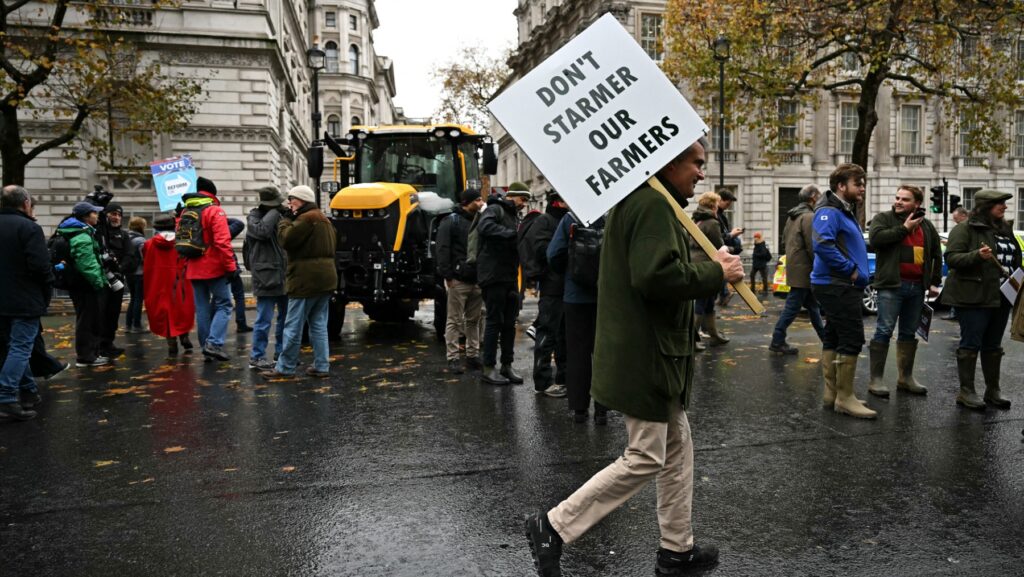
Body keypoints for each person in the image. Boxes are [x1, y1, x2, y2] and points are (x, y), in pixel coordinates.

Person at [525, 138, 744, 577]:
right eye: (696, 163)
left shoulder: (649, 201)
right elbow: (655, 276)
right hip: (648, 355)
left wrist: (709, 263)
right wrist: (716, 272)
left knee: (676, 450)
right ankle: (554, 526)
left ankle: (676, 551)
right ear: (670, 163)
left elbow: (656, 266)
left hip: (657, 353)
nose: (702, 173)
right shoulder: (651, 204)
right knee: (646, 455)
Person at [941, 190, 1021, 410]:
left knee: (993, 345)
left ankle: (992, 391)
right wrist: (976, 255)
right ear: (986, 206)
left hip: (1001, 296)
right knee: (971, 343)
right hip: (973, 296)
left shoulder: (1005, 229)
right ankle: (966, 392)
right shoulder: (965, 228)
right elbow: (952, 258)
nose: (1005, 207)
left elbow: (1014, 259)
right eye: (999, 204)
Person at [865, 185, 942, 398]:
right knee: (884, 330)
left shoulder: (926, 225)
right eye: (897, 197)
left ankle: (905, 378)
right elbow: (876, 240)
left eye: (905, 199)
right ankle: (876, 380)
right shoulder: (883, 218)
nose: (898, 201)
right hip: (891, 285)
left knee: (908, 332)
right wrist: (905, 228)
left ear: (917, 203)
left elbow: (936, 253)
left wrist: (934, 281)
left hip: (917, 287)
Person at [811, 164, 875, 419]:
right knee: (852, 337)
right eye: (857, 184)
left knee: (834, 335)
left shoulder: (842, 210)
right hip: (838, 284)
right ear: (841, 186)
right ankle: (845, 398)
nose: (862, 188)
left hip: (838, 284)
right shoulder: (829, 211)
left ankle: (833, 394)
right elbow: (823, 245)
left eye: (863, 183)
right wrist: (851, 271)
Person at [262, 185, 338, 378]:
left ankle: (285, 367)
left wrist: (285, 221)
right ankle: (321, 365)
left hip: (305, 280)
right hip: (325, 279)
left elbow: (286, 240)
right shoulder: (323, 219)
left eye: (292, 199)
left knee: (293, 325)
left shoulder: (306, 219)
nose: (289, 203)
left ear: (302, 199)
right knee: (318, 324)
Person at [548, 210, 607, 423]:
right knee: (602, 353)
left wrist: (570, 272)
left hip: (575, 296)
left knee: (576, 353)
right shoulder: (611, 217)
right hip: (605, 295)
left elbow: (553, 254)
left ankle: (579, 408)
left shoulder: (570, 218)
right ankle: (602, 409)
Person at [0, 185, 51, 421]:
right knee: (20, 348)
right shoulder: (29, 228)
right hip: (24, 298)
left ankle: (28, 390)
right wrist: (45, 292)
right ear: (26, 203)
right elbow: (40, 267)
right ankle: (6, 397)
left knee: (12, 347)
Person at [477, 184, 530, 385]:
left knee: (509, 323)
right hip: (493, 276)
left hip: (509, 276)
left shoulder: (515, 216)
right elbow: (485, 227)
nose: (524, 204)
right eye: (522, 199)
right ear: (512, 196)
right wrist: (511, 233)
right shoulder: (494, 209)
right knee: (494, 321)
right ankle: (488, 367)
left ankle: (507, 365)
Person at [182, 177, 237, 362]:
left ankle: (206, 347)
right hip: (214, 267)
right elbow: (222, 242)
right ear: (213, 193)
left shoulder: (186, 211)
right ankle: (213, 344)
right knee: (224, 305)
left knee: (202, 308)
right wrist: (231, 267)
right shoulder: (214, 211)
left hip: (193, 267)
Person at [522, 192, 570, 397]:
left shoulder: (565, 220)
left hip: (565, 287)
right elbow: (542, 250)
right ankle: (542, 382)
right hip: (552, 286)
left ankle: (564, 377)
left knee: (563, 336)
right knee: (547, 334)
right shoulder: (546, 221)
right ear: (558, 202)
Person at [770, 185, 825, 355]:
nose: (821, 199)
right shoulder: (809, 217)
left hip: (796, 268)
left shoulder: (792, 216)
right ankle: (777, 340)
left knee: (813, 307)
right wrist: (820, 266)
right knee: (792, 308)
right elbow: (812, 245)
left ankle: (827, 340)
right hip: (805, 271)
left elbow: (784, 241)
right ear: (813, 197)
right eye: (820, 196)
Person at [436, 188, 485, 374]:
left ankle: (473, 356)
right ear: (467, 202)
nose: (481, 203)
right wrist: (448, 276)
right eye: (477, 200)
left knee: (474, 319)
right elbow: (442, 249)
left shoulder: (480, 219)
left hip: (477, 278)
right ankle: (453, 358)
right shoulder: (451, 221)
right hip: (458, 279)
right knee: (454, 320)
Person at [57, 201, 110, 367]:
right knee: (88, 320)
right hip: (86, 285)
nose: (97, 215)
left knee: (87, 319)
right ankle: (86, 357)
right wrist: (99, 282)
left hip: (80, 284)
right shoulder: (82, 235)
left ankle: (90, 354)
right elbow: (86, 264)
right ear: (86, 216)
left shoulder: (80, 231)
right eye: (94, 213)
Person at [244, 186, 289, 370]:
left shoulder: (280, 215)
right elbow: (261, 231)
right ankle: (257, 356)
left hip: (283, 274)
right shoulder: (254, 217)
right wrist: (274, 212)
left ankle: (281, 354)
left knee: (285, 319)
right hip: (265, 276)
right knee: (264, 319)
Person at [143, 213, 195, 355]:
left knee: (163, 312)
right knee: (182, 309)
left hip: (158, 283)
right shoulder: (183, 241)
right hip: (180, 281)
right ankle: (184, 336)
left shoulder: (148, 244)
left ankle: (171, 343)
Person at [96, 203, 135, 358]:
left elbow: (130, 255)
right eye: (113, 214)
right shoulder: (99, 233)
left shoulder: (124, 235)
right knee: (100, 313)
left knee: (113, 313)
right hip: (100, 279)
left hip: (116, 280)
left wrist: (119, 270)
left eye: (119, 215)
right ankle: (98, 345)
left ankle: (108, 343)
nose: (116, 217)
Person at [690, 192, 727, 349]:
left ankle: (714, 334)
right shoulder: (712, 222)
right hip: (707, 264)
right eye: (717, 204)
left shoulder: (696, 220)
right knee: (701, 301)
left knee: (709, 300)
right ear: (713, 205)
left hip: (695, 262)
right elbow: (719, 245)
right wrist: (731, 248)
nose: (718, 206)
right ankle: (691, 340)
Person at [716, 189, 742, 306]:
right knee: (721, 271)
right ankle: (724, 293)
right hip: (720, 249)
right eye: (727, 204)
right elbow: (718, 237)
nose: (728, 207)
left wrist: (731, 234)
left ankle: (724, 294)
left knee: (722, 271)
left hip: (723, 248)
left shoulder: (721, 216)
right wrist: (731, 234)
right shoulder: (715, 215)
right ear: (719, 200)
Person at [227, 217, 253, 333]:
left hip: (211, 269)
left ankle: (210, 324)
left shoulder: (200, 233)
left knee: (217, 299)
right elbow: (239, 223)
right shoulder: (221, 232)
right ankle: (241, 323)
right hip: (229, 268)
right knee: (239, 296)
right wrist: (221, 219)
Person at [125, 216, 147, 332]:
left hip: (128, 273)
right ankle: (137, 325)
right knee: (138, 299)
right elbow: (145, 258)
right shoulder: (141, 240)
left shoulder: (126, 237)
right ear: (141, 226)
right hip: (139, 273)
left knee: (133, 298)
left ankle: (128, 325)